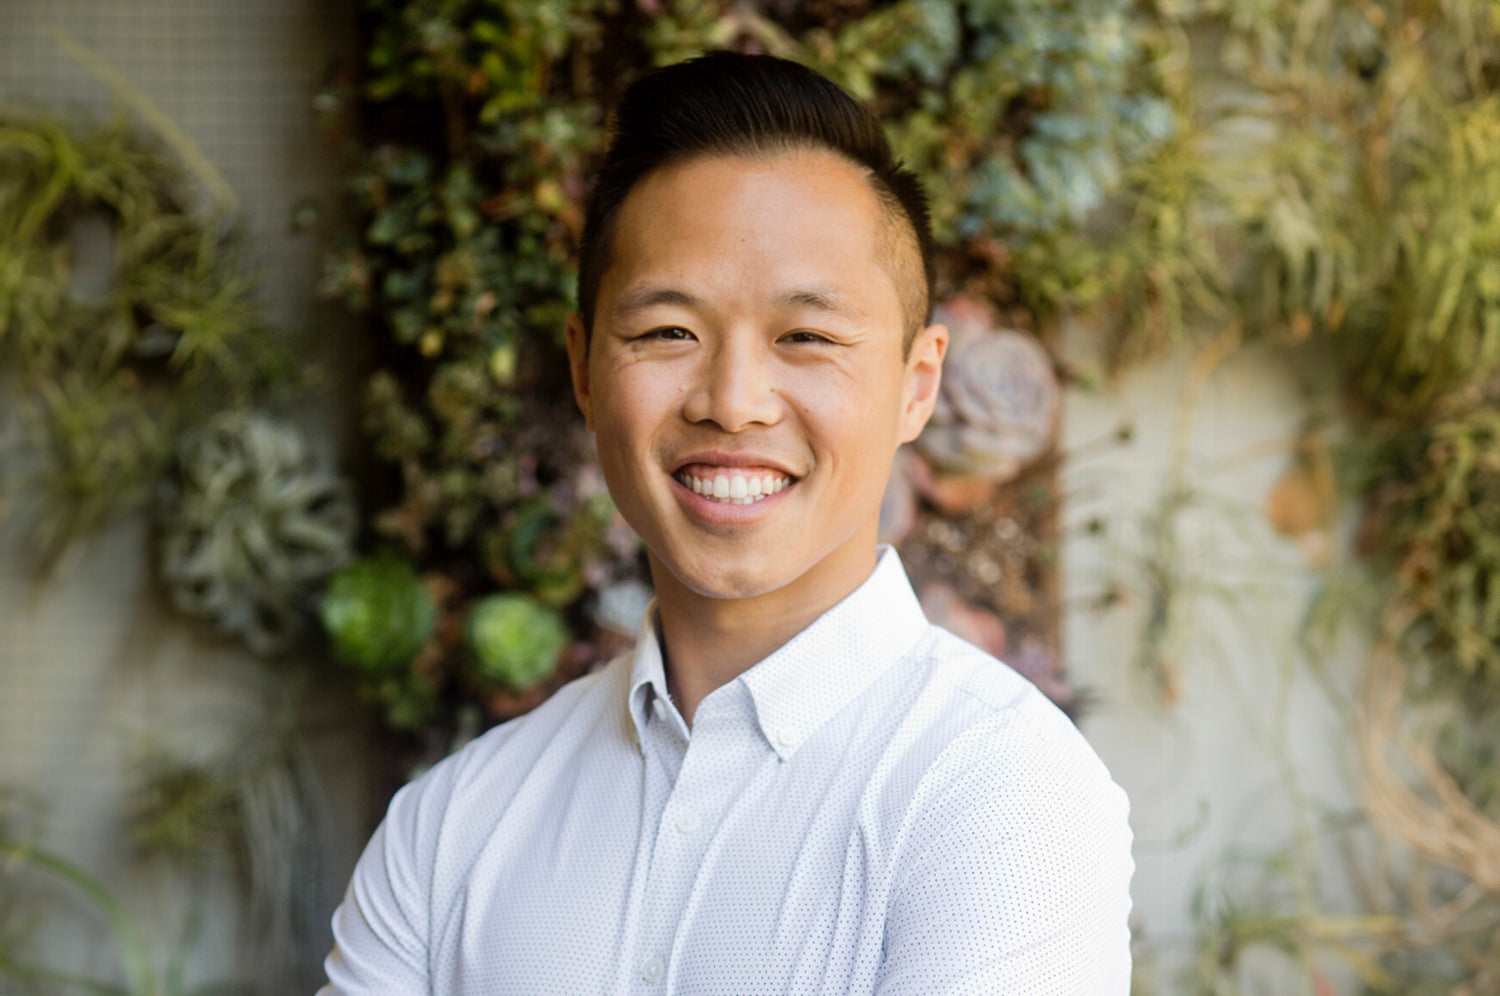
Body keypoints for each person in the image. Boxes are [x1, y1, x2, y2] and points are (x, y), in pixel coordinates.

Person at [321, 51, 1133, 995]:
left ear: (917, 386)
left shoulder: (1003, 794)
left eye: (808, 337)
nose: (734, 402)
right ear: (584, 370)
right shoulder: (449, 827)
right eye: (669, 332)